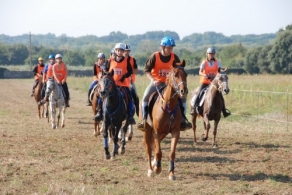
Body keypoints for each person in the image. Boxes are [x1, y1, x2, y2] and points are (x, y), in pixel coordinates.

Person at [137, 36, 192, 131]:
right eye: (169, 48)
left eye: (172, 48)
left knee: (183, 98)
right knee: (145, 97)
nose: (171, 50)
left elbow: (179, 69)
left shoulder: (174, 57)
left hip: (170, 84)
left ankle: (183, 120)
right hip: (157, 83)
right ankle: (144, 120)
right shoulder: (155, 56)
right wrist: (153, 80)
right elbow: (146, 70)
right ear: (163, 47)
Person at [94, 43, 136, 124]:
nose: (119, 52)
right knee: (101, 94)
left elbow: (130, 71)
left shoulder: (126, 61)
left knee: (129, 96)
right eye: (118, 50)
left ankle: (130, 116)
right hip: (111, 85)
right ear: (115, 51)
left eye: (121, 51)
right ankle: (99, 112)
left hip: (123, 84)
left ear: (123, 51)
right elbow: (105, 71)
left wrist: (124, 76)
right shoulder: (110, 61)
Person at [190, 47, 231, 117]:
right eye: (209, 54)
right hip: (205, 81)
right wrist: (205, 75)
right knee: (199, 92)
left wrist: (224, 71)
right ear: (207, 54)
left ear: (214, 54)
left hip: (214, 83)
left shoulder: (217, 62)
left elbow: (220, 71)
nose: (211, 55)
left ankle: (224, 111)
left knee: (220, 95)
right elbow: (200, 72)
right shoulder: (204, 62)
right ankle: (194, 108)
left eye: (212, 54)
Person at [123, 44, 139, 109]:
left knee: (135, 95)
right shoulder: (118, 59)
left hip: (130, 82)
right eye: (125, 51)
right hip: (119, 82)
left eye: (128, 51)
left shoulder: (132, 59)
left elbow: (136, 71)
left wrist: (128, 71)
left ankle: (137, 109)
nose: (126, 52)